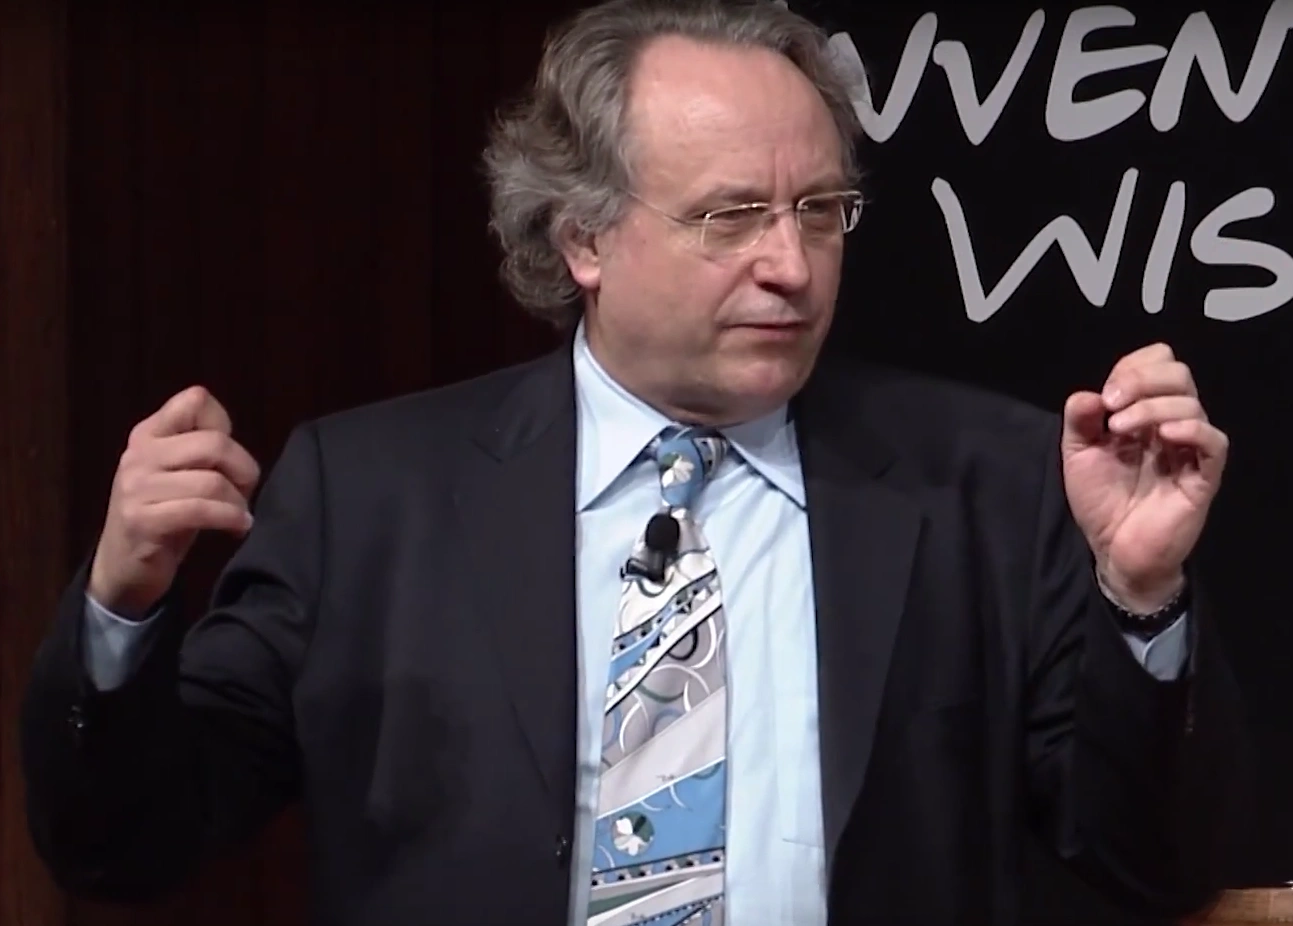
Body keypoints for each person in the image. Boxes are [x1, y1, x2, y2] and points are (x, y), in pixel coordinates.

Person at [21, 0, 1249, 924]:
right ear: (586, 237)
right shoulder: (368, 496)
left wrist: (1139, 601)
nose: (793, 264)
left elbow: (1152, 863)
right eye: (732, 217)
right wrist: (122, 608)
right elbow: (128, 844)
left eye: (821, 211)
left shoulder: (991, 477)